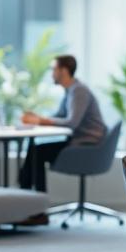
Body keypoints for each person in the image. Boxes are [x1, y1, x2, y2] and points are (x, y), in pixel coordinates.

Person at [18, 54, 107, 198]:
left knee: (37, 153)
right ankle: (27, 201)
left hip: (86, 146)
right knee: (35, 150)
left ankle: (34, 206)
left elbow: (72, 123)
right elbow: (59, 116)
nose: (52, 74)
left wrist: (40, 121)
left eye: (54, 69)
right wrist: (38, 118)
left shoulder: (79, 91)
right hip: (79, 142)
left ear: (64, 71)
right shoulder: (70, 91)